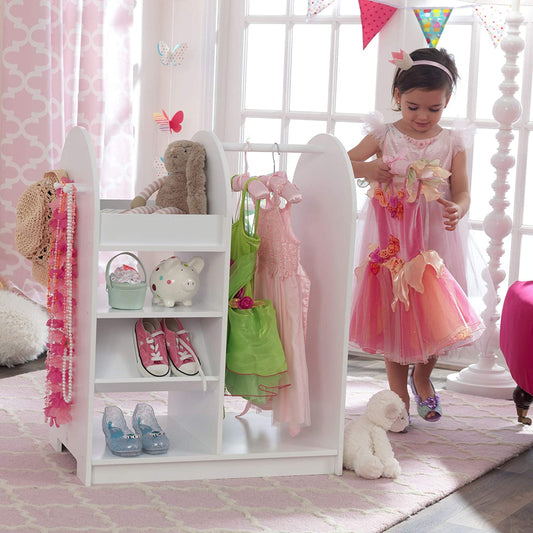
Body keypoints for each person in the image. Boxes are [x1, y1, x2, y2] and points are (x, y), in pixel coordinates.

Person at [348, 48, 484, 425]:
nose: (423, 116)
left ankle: (422, 377)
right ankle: (397, 396)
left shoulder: (452, 142)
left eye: (433, 109)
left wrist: (459, 207)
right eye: (413, 107)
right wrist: (370, 169)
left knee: (435, 312)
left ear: (447, 102)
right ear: (398, 97)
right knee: (395, 309)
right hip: (393, 239)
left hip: (435, 239)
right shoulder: (385, 135)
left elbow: (463, 190)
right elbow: (343, 161)